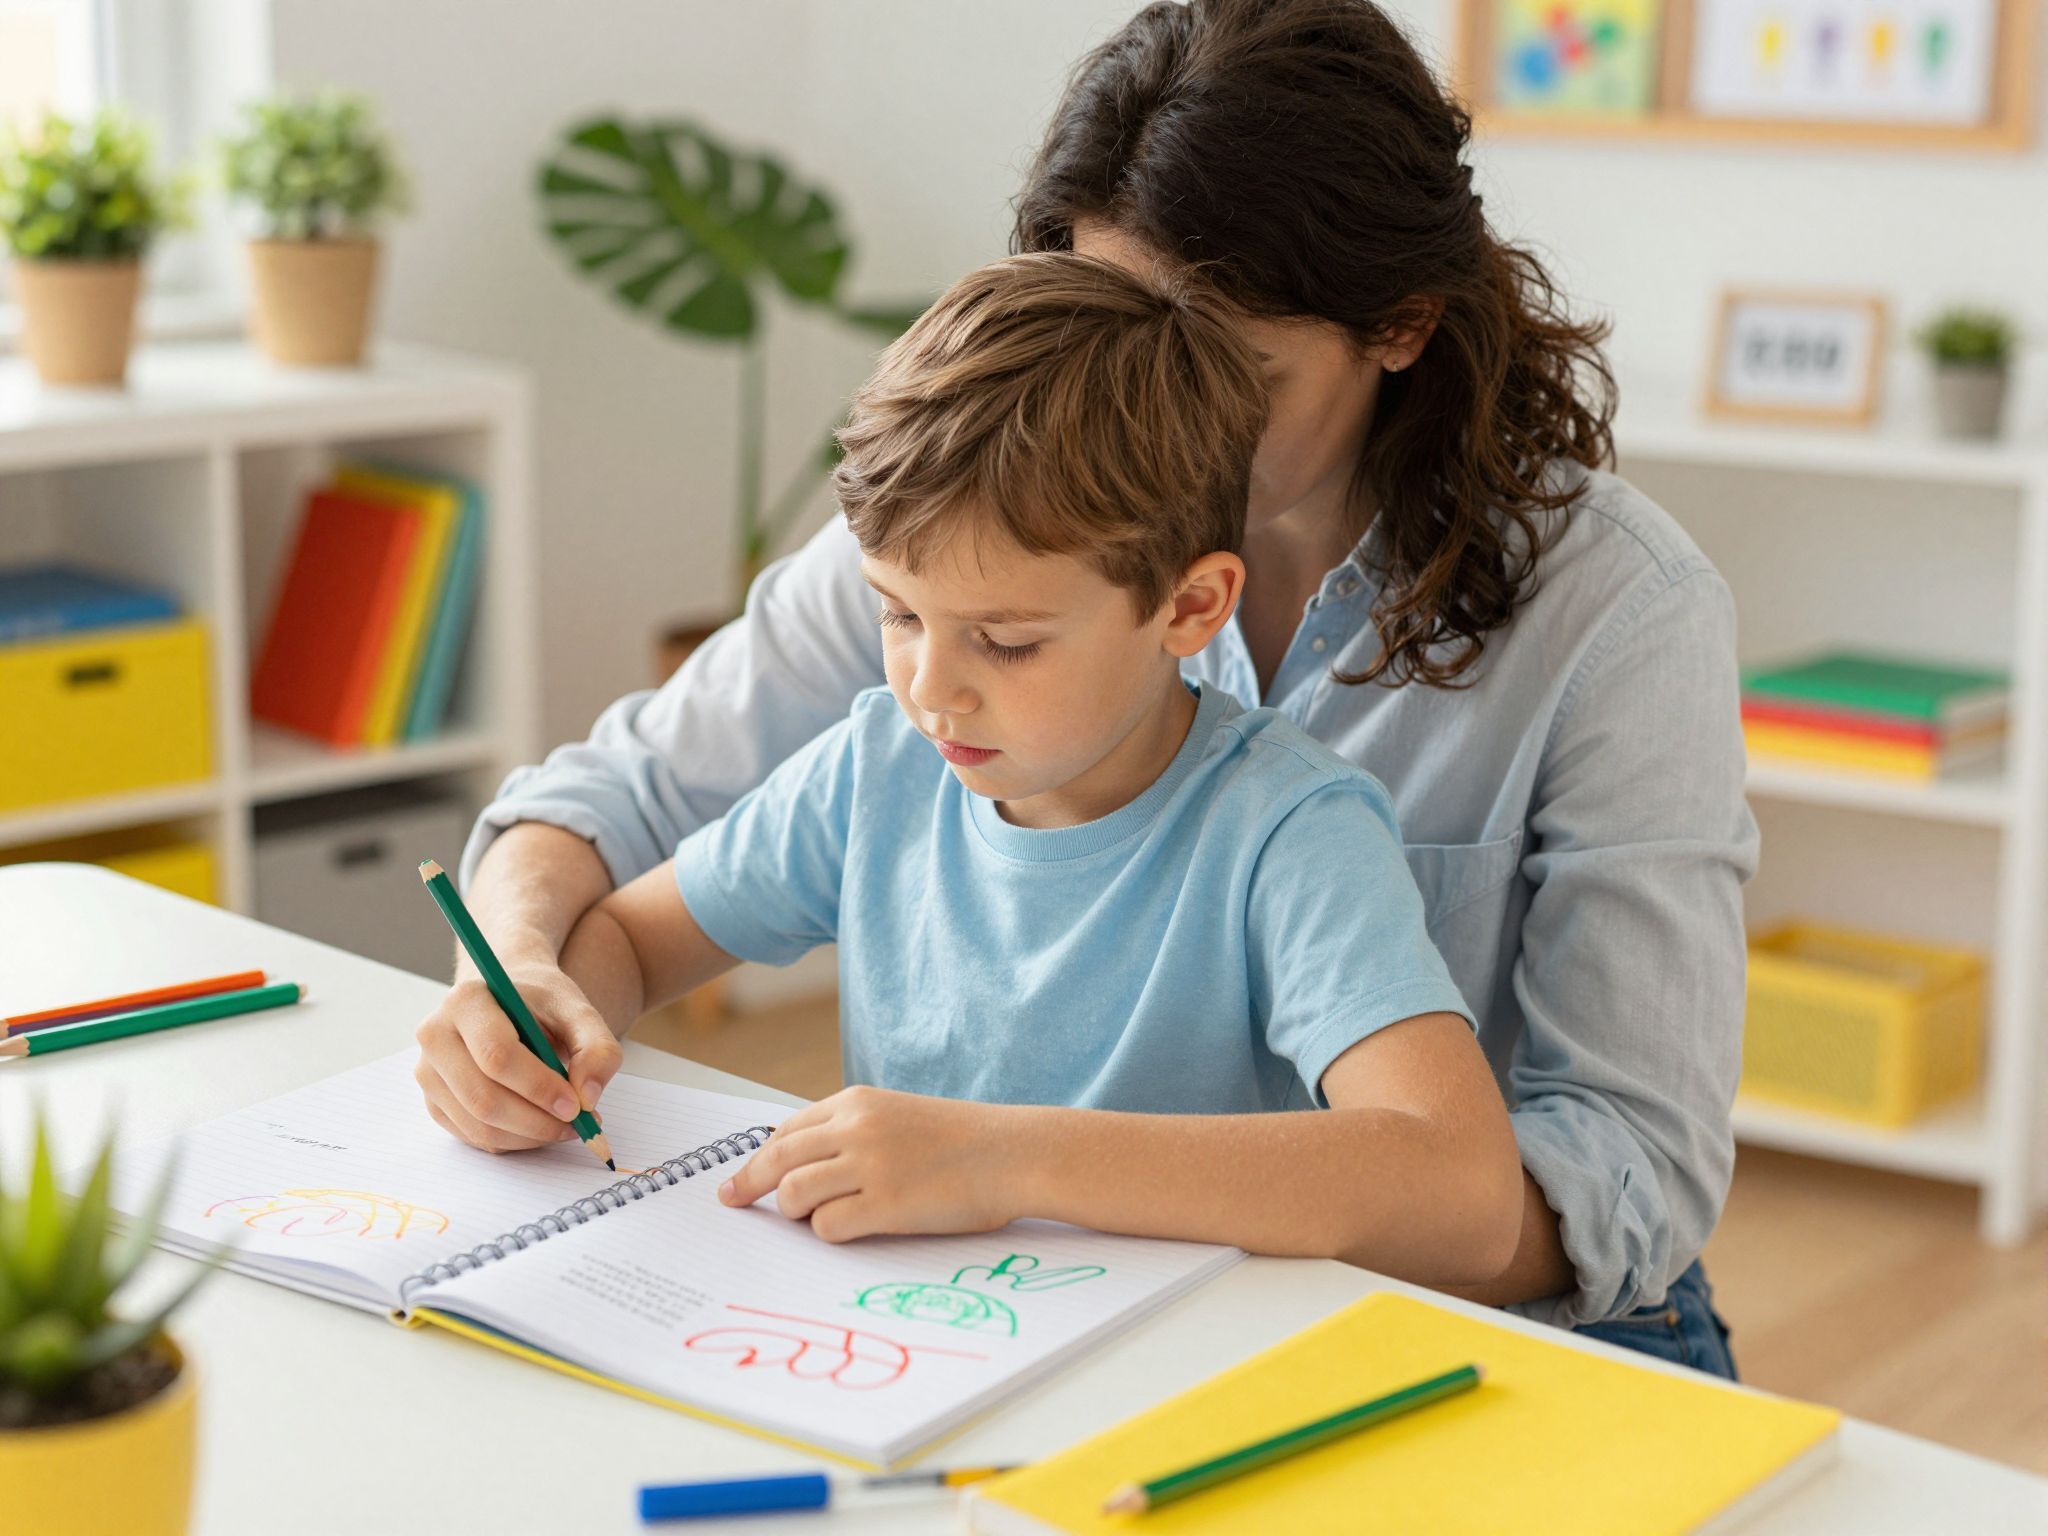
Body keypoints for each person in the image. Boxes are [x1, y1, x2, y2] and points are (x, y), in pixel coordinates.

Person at [418, 0, 1755, 1374]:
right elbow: (614, 803)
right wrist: (514, 986)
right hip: (1056, 1310)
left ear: (1399, 326)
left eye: (1222, 358)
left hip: (1518, 1326)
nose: (1146, 400)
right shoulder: (981, 556)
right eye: (1113, 318)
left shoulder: (1611, 620)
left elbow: (1594, 1178)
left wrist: (1017, 1162)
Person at [542, 252, 1523, 1277]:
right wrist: (551, 1030)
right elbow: (627, 937)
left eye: (1004, 640)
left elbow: (1461, 1192)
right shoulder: (878, 767)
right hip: (917, 1345)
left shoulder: (1288, 831)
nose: (931, 688)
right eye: (898, 613)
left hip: (1183, 1373)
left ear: (1188, 608)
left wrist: (1004, 1157)